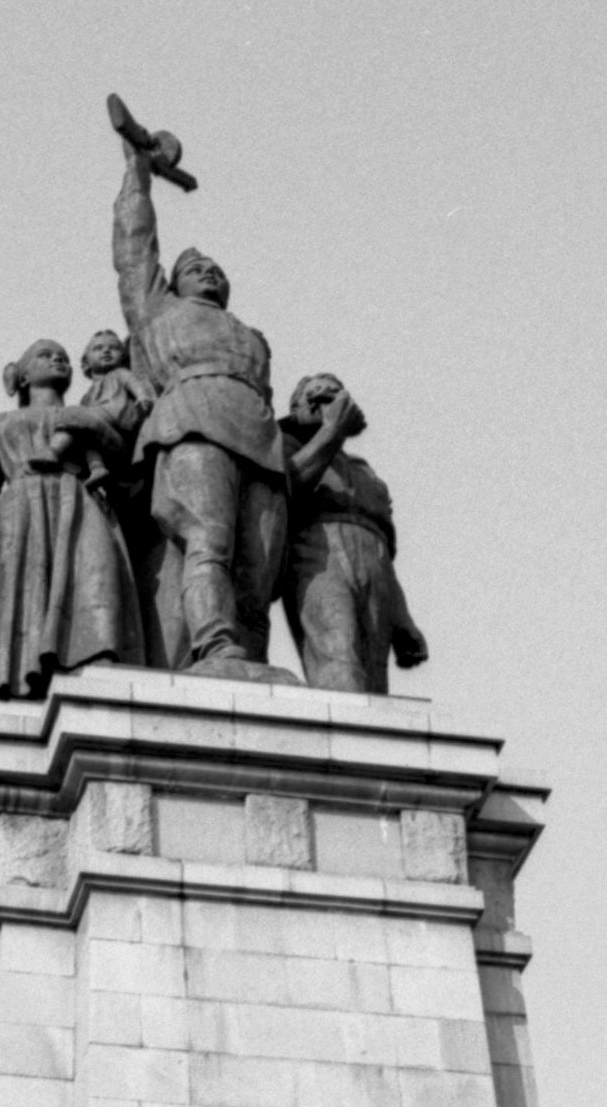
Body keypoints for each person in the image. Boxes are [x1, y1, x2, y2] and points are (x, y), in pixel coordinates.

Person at [109, 125, 283, 672]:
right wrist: (138, 172)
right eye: (194, 270)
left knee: (256, 570)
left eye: (216, 271)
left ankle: (250, 662)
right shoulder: (158, 313)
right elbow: (135, 249)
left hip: (260, 440)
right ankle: (213, 642)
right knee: (209, 540)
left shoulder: (253, 338)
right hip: (192, 426)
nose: (207, 272)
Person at [0, 339, 146, 711]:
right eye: (45, 355)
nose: (57, 359)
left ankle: (99, 673)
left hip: (82, 502)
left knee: (96, 584)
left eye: (63, 357)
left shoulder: (90, 412)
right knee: (29, 601)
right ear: (24, 375)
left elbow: (120, 455)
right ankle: (26, 683)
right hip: (21, 517)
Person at [277, 374, 429, 696]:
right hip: (316, 554)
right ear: (297, 408)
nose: (326, 406)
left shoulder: (363, 471)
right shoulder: (285, 444)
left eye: (335, 398)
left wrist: (403, 618)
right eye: (316, 399)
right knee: (339, 660)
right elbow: (285, 489)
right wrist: (332, 432)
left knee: (374, 682)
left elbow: (383, 554)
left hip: (374, 565)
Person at [75, 328, 159, 661]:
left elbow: (139, 386)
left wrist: (145, 399)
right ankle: (97, 468)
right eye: (99, 349)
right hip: (101, 430)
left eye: (112, 348)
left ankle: (68, 456)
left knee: (76, 423)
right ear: (85, 363)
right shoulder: (88, 395)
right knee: (81, 429)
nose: (107, 352)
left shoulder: (121, 377)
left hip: (120, 422)